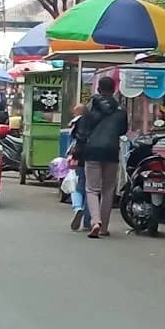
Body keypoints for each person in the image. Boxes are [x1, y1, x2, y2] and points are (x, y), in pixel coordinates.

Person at [76, 76, 128, 238]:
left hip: (92, 151)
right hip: (112, 151)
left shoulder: (90, 108)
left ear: (98, 89)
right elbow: (123, 131)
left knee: (92, 189)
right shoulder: (121, 109)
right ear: (113, 90)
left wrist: (77, 151)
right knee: (108, 189)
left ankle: (95, 221)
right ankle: (104, 227)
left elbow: (82, 132)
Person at [68, 104, 91, 231]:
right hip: (94, 157)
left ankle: (77, 207)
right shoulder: (95, 121)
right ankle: (87, 221)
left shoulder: (77, 122)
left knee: (77, 186)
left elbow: (75, 139)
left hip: (80, 157)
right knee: (91, 190)